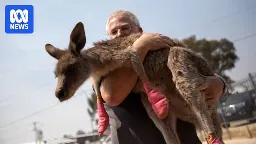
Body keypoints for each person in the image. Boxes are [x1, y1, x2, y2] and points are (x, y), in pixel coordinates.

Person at [93, 10, 227, 144]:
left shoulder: (157, 48)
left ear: (139, 31)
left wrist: (220, 83)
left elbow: (187, 63)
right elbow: (111, 95)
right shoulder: (107, 68)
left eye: (125, 28)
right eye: (114, 32)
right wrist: (142, 45)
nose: (119, 33)